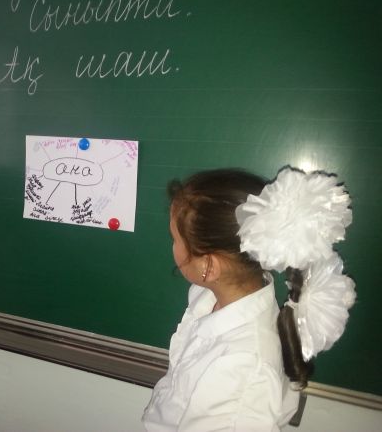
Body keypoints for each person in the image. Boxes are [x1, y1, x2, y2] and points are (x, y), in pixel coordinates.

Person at [142, 167, 355, 431]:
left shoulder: (242, 368)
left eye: (175, 239)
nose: (172, 247)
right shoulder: (208, 296)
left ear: (208, 267)